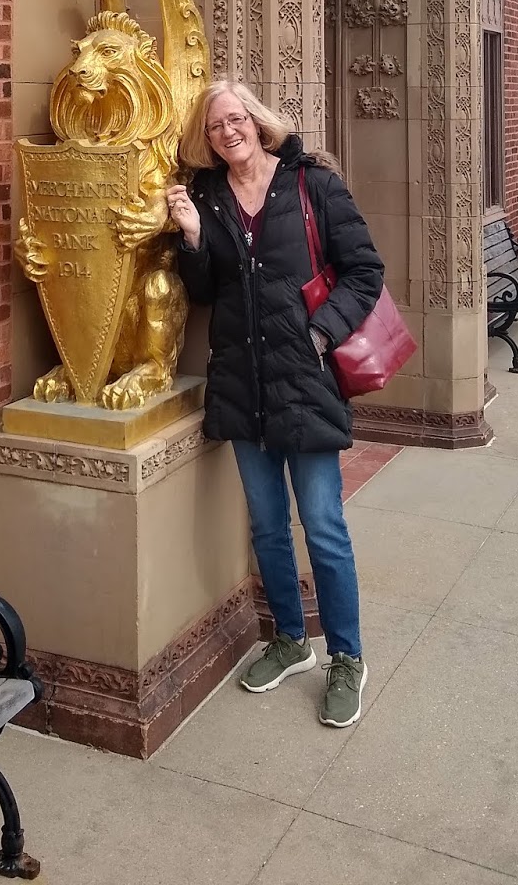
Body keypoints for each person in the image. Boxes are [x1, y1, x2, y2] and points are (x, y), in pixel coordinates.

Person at [167, 79, 383, 728]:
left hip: (305, 381)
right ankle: (290, 640)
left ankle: (346, 657)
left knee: (323, 526)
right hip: (243, 381)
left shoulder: (312, 183)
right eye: (215, 126)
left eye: (235, 118)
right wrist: (192, 237)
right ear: (207, 139)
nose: (227, 131)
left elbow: (365, 271)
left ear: (258, 122)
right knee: (265, 526)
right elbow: (205, 290)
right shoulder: (208, 195)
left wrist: (319, 335)